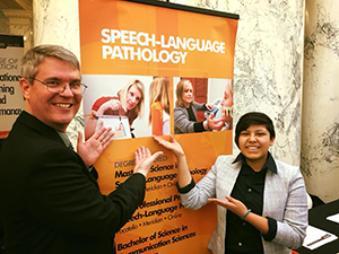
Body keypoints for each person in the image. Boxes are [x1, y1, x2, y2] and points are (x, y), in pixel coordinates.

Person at [0, 45, 162, 254]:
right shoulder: (46, 155)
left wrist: (82, 163)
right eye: (53, 82)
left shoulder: (29, 134)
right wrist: (139, 175)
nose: (67, 93)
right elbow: (105, 217)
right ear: (26, 87)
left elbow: (55, 203)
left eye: (75, 83)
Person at [155, 112, 308, 254]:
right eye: (245, 134)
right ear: (237, 140)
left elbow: (296, 236)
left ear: (272, 139)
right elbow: (192, 200)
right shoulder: (223, 165)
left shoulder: (291, 176)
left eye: (260, 134)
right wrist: (181, 157)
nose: (252, 139)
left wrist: (246, 215)